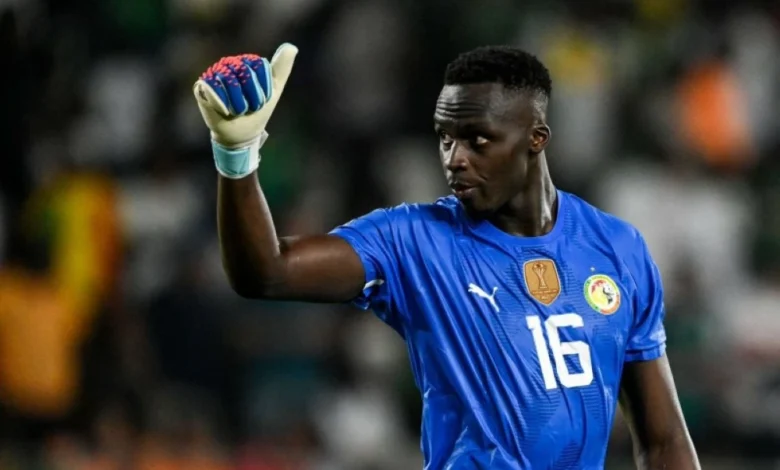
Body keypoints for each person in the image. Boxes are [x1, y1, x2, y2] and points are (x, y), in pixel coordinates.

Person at [192, 44, 701, 469]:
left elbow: (664, 441)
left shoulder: (617, 247)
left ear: (536, 139)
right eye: (445, 138)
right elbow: (267, 272)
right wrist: (237, 158)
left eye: (477, 140)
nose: (454, 159)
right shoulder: (412, 241)